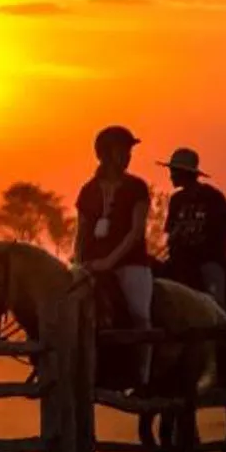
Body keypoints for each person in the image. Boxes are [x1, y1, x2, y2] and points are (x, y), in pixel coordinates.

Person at [75, 125, 154, 389]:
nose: (128, 156)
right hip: (92, 265)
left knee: (140, 315)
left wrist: (109, 262)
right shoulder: (88, 191)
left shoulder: (137, 187)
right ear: (106, 154)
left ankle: (142, 377)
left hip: (131, 263)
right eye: (123, 151)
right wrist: (78, 264)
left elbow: (135, 232)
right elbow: (82, 231)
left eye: (129, 151)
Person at [159, 146, 226, 312]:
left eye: (174, 171)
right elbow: (171, 233)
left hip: (208, 261)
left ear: (185, 173)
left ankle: (223, 331)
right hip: (180, 261)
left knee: (216, 303)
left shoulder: (211, 196)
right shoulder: (176, 200)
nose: (171, 175)